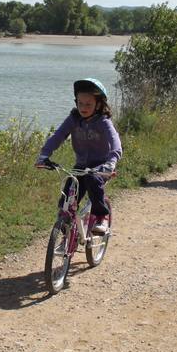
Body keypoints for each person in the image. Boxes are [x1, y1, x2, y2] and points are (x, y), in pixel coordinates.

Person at [36, 79, 122, 235]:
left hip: (101, 167)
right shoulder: (73, 120)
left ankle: (101, 217)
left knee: (93, 181)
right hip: (81, 165)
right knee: (68, 195)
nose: (83, 107)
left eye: (88, 104)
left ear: (98, 104)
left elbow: (115, 143)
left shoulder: (104, 122)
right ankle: (65, 234)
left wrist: (111, 162)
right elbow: (58, 136)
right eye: (80, 103)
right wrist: (44, 155)